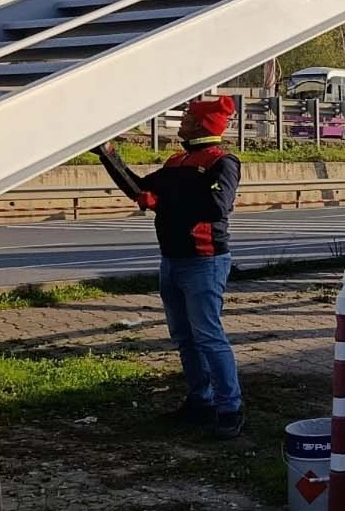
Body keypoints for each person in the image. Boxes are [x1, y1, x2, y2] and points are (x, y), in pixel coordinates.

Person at [93, 96, 245, 439]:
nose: (182, 121)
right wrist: (108, 155)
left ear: (202, 125)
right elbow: (141, 190)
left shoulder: (222, 162)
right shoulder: (178, 161)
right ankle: (200, 400)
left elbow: (216, 207)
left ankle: (230, 409)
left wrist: (163, 204)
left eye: (187, 117)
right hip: (173, 260)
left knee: (208, 337)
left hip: (204, 261)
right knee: (185, 338)